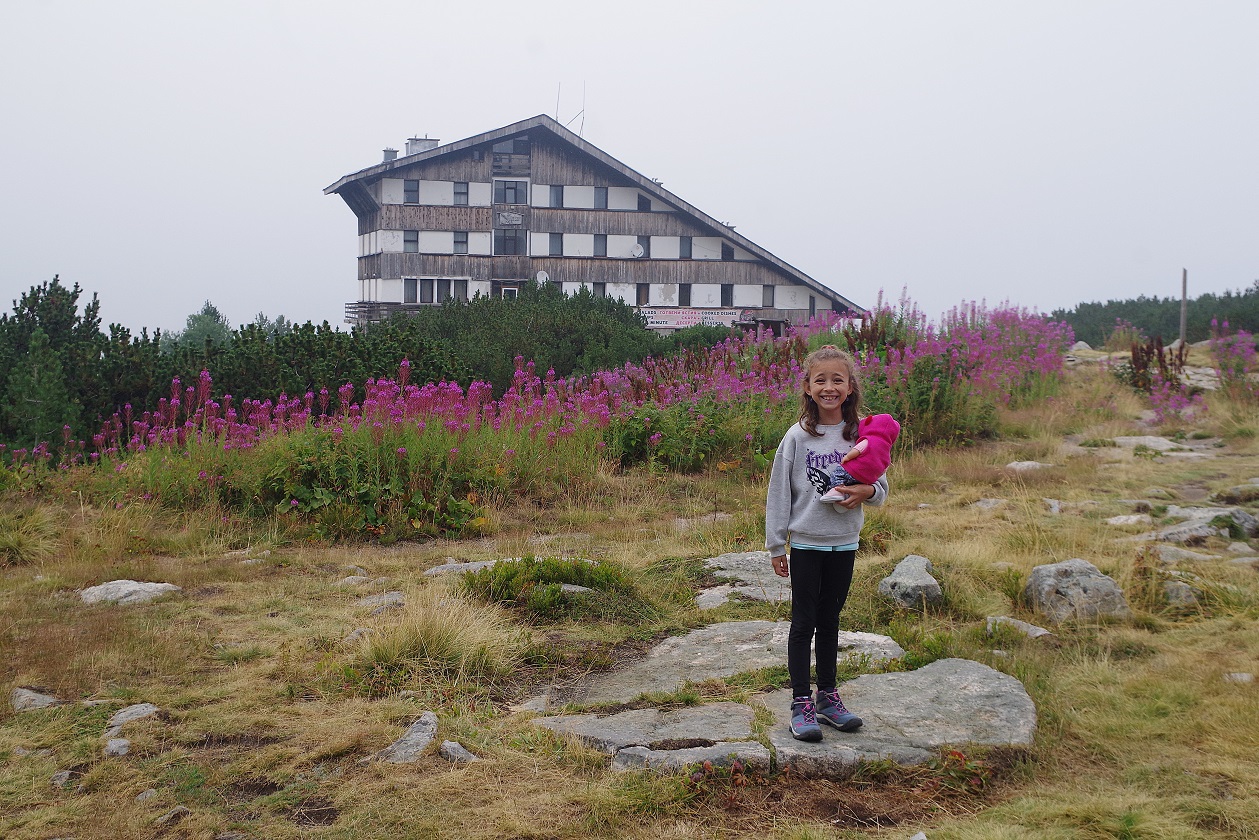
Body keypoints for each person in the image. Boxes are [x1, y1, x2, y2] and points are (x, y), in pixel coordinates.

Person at [765, 344, 889, 742]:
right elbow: (779, 492)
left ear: (850, 387)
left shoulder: (862, 434)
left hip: (845, 543)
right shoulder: (797, 436)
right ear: (807, 387)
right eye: (821, 380)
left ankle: (828, 698)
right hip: (805, 545)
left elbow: (881, 488)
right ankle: (801, 701)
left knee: (831, 620)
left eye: (838, 379)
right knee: (804, 622)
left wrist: (865, 492)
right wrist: (776, 545)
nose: (829, 387)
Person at [817, 413, 900, 503]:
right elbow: (885, 467)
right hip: (868, 478)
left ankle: (837, 491)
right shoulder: (885, 449)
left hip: (854, 471)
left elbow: (857, 449)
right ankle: (843, 501)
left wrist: (847, 458)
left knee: (837, 475)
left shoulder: (868, 439)